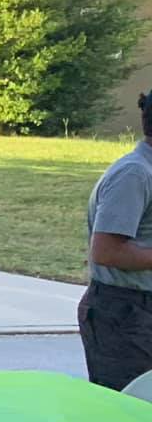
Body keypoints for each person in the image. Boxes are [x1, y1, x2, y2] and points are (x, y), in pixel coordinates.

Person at [80, 89, 152, 389]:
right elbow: (107, 251)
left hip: (139, 310)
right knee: (126, 417)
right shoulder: (134, 174)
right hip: (123, 314)